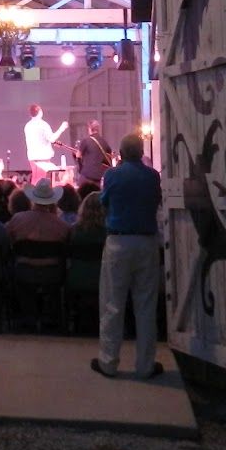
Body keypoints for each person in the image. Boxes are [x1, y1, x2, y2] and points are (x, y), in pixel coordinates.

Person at [91, 131, 163, 380]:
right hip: (147, 241)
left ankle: (108, 361)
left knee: (112, 303)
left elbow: (104, 201)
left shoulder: (112, 175)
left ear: (120, 154)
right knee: (146, 305)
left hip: (119, 240)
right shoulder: (153, 176)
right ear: (142, 152)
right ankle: (145, 365)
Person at [23, 104, 69, 174]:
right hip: (43, 157)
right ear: (40, 112)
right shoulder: (43, 125)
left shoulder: (27, 125)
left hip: (32, 157)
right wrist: (62, 128)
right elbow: (52, 139)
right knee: (42, 179)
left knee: (35, 177)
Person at [74, 119, 112, 189]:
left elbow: (78, 155)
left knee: (81, 193)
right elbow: (110, 154)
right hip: (98, 176)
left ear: (90, 128)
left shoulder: (85, 141)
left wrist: (80, 168)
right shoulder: (104, 142)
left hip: (86, 175)